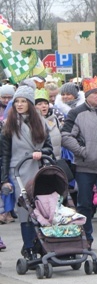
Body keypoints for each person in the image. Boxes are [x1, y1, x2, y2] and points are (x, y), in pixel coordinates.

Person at [61, 76, 97, 253]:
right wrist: (82, 151)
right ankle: (86, 238)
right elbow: (65, 136)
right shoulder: (76, 113)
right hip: (85, 167)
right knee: (85, 204)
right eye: (94, 93)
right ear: (87, 95)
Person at [0, 86, 53, 259]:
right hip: (19, 171)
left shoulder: (40, 122)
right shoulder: (9, 124)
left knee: (41, 210)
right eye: (17, 102)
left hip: (38, 170)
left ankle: (41, 244)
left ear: (30, 103)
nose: (19, 105)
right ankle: (29, 246)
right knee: (25, 211)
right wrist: (3, 180)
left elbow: (49, 148)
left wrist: (42, 153)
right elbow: (5, 154)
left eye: (23, 101)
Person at [34, 89, 63, 160]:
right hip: (42, 161)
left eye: (45, 103)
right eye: (39, 104)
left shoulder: (54, 118)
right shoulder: (32, 122)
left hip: (56, 160)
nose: (44, 106)